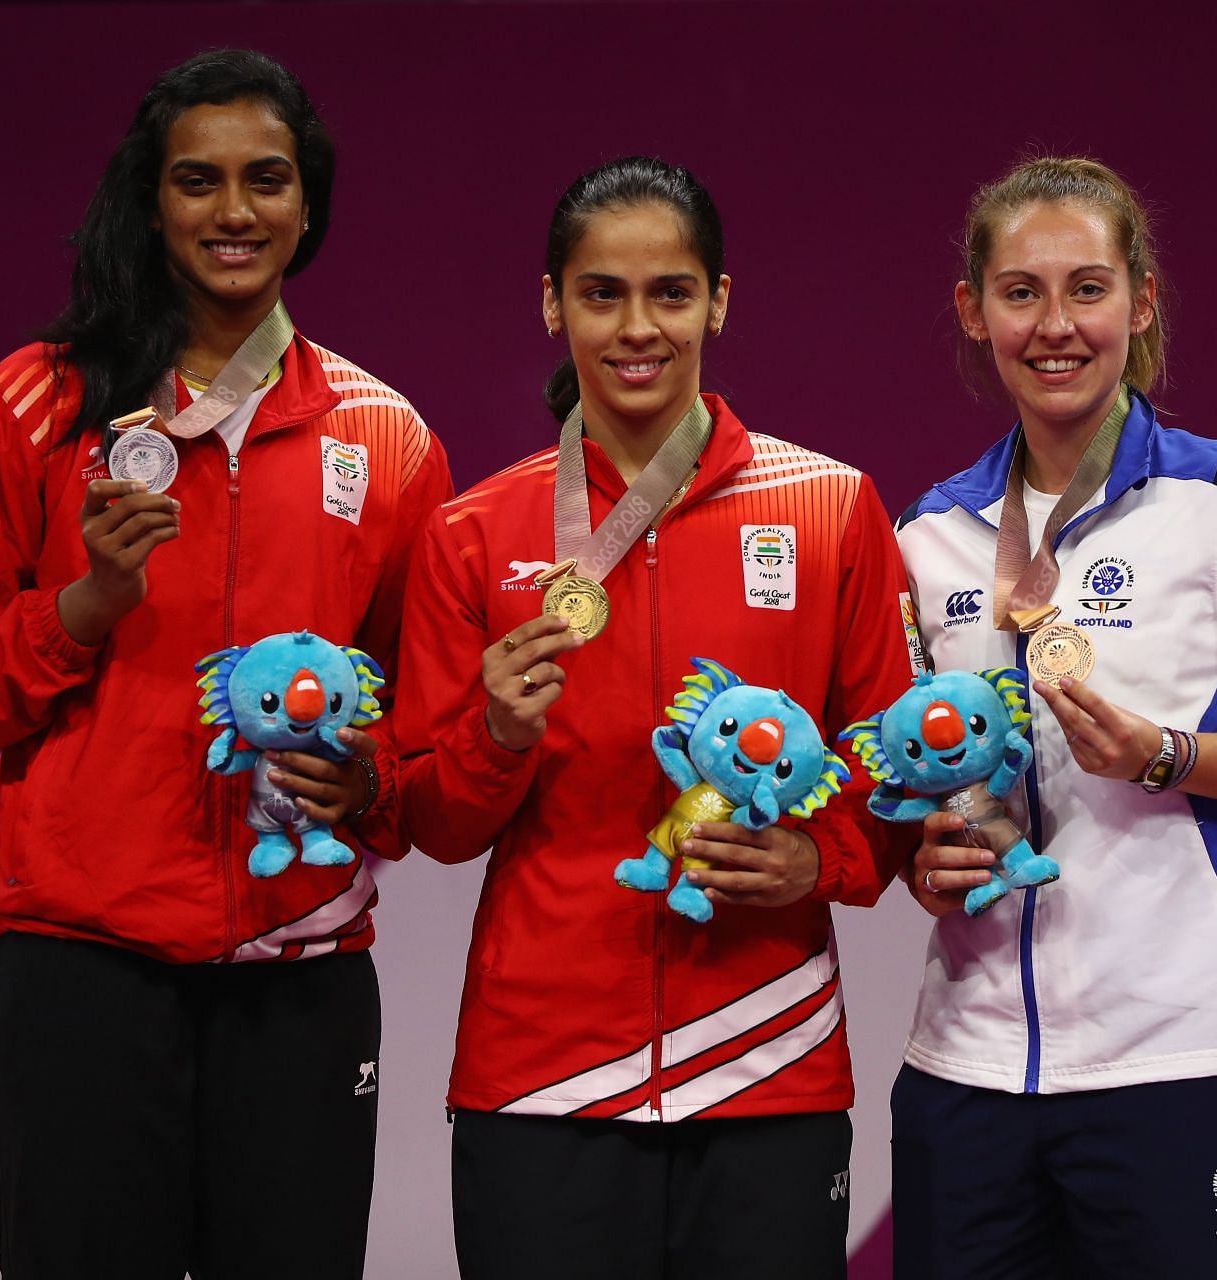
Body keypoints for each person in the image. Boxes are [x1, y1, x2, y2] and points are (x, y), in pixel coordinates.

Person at [0, 49, 451, 1279]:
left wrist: (372, 786)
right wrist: (81, 608)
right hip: (83, 968)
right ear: (152, 202)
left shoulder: (387, 437)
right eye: (198, 182)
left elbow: (421, 720)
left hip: (298, 978)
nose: (234, 211)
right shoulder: (34, 406)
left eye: (266, 180)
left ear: (309, 206)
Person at [394, 156, 915, 1279]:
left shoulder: (829, 508)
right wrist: (497, 735)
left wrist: (808, 857)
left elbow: (893, 783)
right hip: (542, 1071)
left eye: (671, 292)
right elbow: (429, 818)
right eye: (601, 293)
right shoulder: (475, 532)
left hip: (766, 1056)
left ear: (720, 300)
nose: (639, 328)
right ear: (551, 302)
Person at [890, 155, 1217, 1278]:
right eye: (1019, 292)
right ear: (974, 312)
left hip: (1179, 1061)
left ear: (1141, 301)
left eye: (1088, 288)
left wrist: (1171, 755)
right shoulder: (930, 534)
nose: (1054, 325)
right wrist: (920, 856)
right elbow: (910, 773)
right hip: (966, 1072)